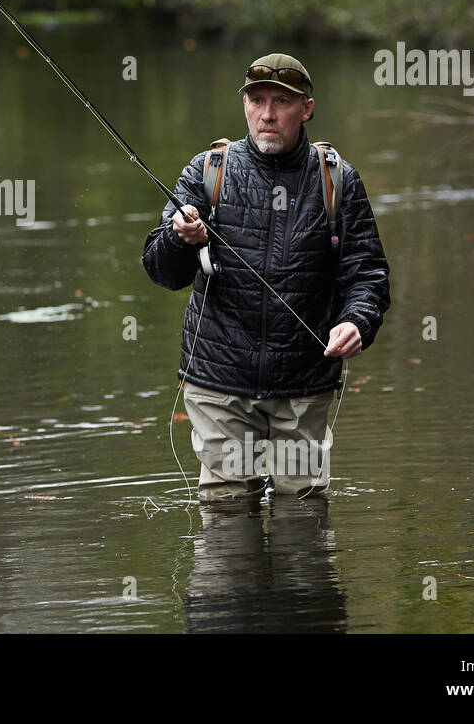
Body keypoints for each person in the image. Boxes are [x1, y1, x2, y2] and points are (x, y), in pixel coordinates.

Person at [141, 52, 390, 501]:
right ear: (245, 105)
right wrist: (181, 238)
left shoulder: (337, 180)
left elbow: (367, 274)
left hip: (304, 384)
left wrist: (357, 322)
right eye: (257, 100)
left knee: (303, 522)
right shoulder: (208, 172)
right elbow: (162, 271)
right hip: (220, 384)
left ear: (307, 108)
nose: (268, 114)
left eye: (281, 101)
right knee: (228, 525)